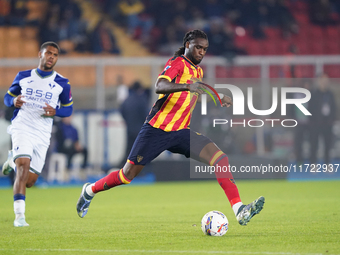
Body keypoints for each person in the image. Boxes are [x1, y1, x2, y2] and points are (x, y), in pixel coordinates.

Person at [76, 30, 265, 225]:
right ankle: (89, 190)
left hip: (181, 132)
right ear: (187, 45)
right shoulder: (177, 63)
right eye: (198, 47)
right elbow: (160, 85)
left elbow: (196, 91)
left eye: (205, 49)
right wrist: (186, 86)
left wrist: (218, 97)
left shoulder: (198, 71)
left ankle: (239, 209)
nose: (201, 52)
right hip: (156, 130)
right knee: (126, 175)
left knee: (220, 158)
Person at [2, 41, 73, 227]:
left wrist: (55, 112)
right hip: (22, 126)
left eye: (55, 55)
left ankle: (11, 159)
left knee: (30, 181)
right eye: (48, 53)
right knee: (23, 168)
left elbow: (68, 109)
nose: (51, 57)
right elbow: (7, 97)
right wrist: (14, 100)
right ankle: (20, 217)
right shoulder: (23, 76)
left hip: (42, 133)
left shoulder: (62, 83)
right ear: (40, 54)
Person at [119, 81, 150, 166]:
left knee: (129, 150)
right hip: (140, 129)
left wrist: (128, 121)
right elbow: (146, 114)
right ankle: (139, 169)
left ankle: (124, 169)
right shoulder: (141, 100)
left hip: (129, 129)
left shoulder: (127, 100)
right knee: (140, 151)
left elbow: (122, 111)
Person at [309, 73, 337, 165]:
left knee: (327, 145)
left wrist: (331, 120)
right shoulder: (314, 94)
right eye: (323, 80)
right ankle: (313, 164)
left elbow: (334, 108)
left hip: (327, 124)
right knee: (314, 145)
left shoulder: (330, 94)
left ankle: (327, 164)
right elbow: (310, 109)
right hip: (316, 124)